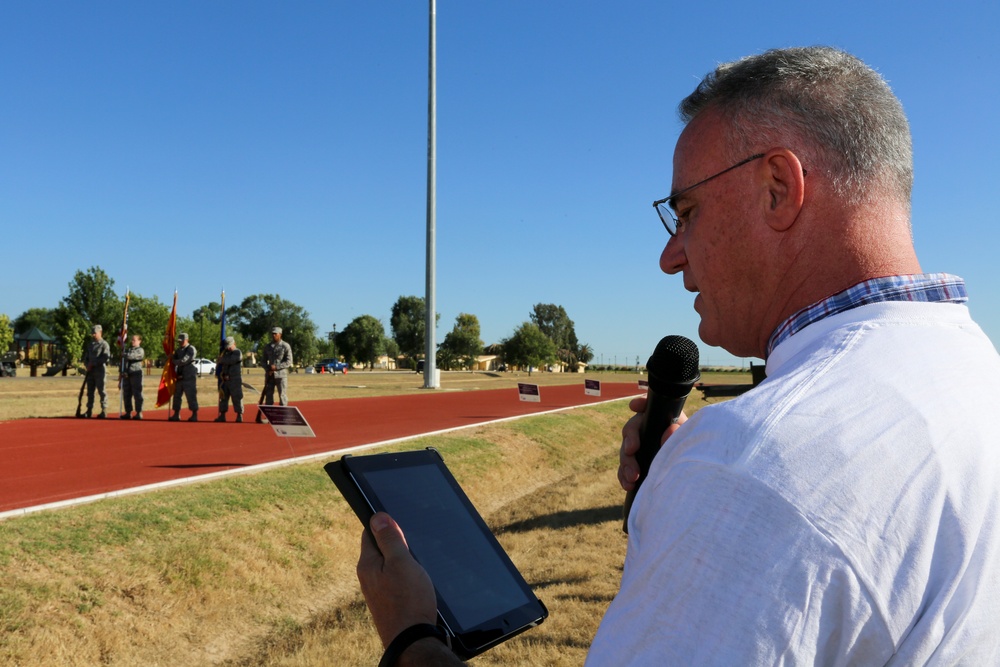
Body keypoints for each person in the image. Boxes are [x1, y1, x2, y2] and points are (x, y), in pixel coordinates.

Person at [354, 46, 1000, 665]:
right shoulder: (968, 369)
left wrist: (413, 638)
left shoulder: (758, 462)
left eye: (686, 211)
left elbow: (782, 481)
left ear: (779, 186)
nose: (671, 255)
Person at [257, 326, 292, 423]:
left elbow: (289, 361)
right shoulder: (267, 346)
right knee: (268, 396)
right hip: (270, 375)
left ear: (280, 334)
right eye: (272, 333)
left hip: (281, 375)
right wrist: (267, 368)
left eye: (275, 334)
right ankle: (269, 417)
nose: (273, 335)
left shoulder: (285, 346)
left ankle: (282, 417)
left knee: (282, 396)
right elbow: (263, 360)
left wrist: (277, 367)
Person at [80, 324, 111, 419]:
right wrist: (87, 365)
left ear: (100, 332)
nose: (93, 335)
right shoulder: (90, 344)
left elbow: (105, 358)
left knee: (102, 391)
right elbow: (86, 357)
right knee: (90, 392)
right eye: (92, 333)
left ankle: (104, 410)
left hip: (100, 371)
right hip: (90, 372)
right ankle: (89, 410)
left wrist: (93, 364)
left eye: (95, 333)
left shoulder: (104, 344)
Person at [169, 332, 198, 422]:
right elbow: (175, 358)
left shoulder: (191, 349)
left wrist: (174, 361)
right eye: (179, 341)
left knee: (191, 395)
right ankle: (176, 414)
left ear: (187, 340)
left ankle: (194, 414)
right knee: (177, 395)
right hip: (180, 375)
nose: (180, 343)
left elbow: (184, 360)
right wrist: (170, 357)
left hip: (189, 376)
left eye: (182, 341)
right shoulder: (178, 350)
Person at [215, 336, 244, 423]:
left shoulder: (237, 352)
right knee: (223, 398)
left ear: (234, 343)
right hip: (225, 380)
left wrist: (222, 360)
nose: (228, 348)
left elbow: (232, 360)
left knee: (237, 398)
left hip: (234, 380)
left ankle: (239, 415)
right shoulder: (225, 353)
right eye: (227, 346)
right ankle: (222, 415)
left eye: (229, 346)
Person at [120, 333, 145, 420]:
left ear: (139, 341)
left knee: (137, 394)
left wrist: (125, 355)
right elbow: (124, 361)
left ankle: (139, 412)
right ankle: (128, 412)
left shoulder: (140, 350)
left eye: (134, 340)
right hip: (127, 374)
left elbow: (133, 357)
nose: (132, 341)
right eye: (132, 340)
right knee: (126, 394)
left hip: (136, 374)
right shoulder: (128, 350)